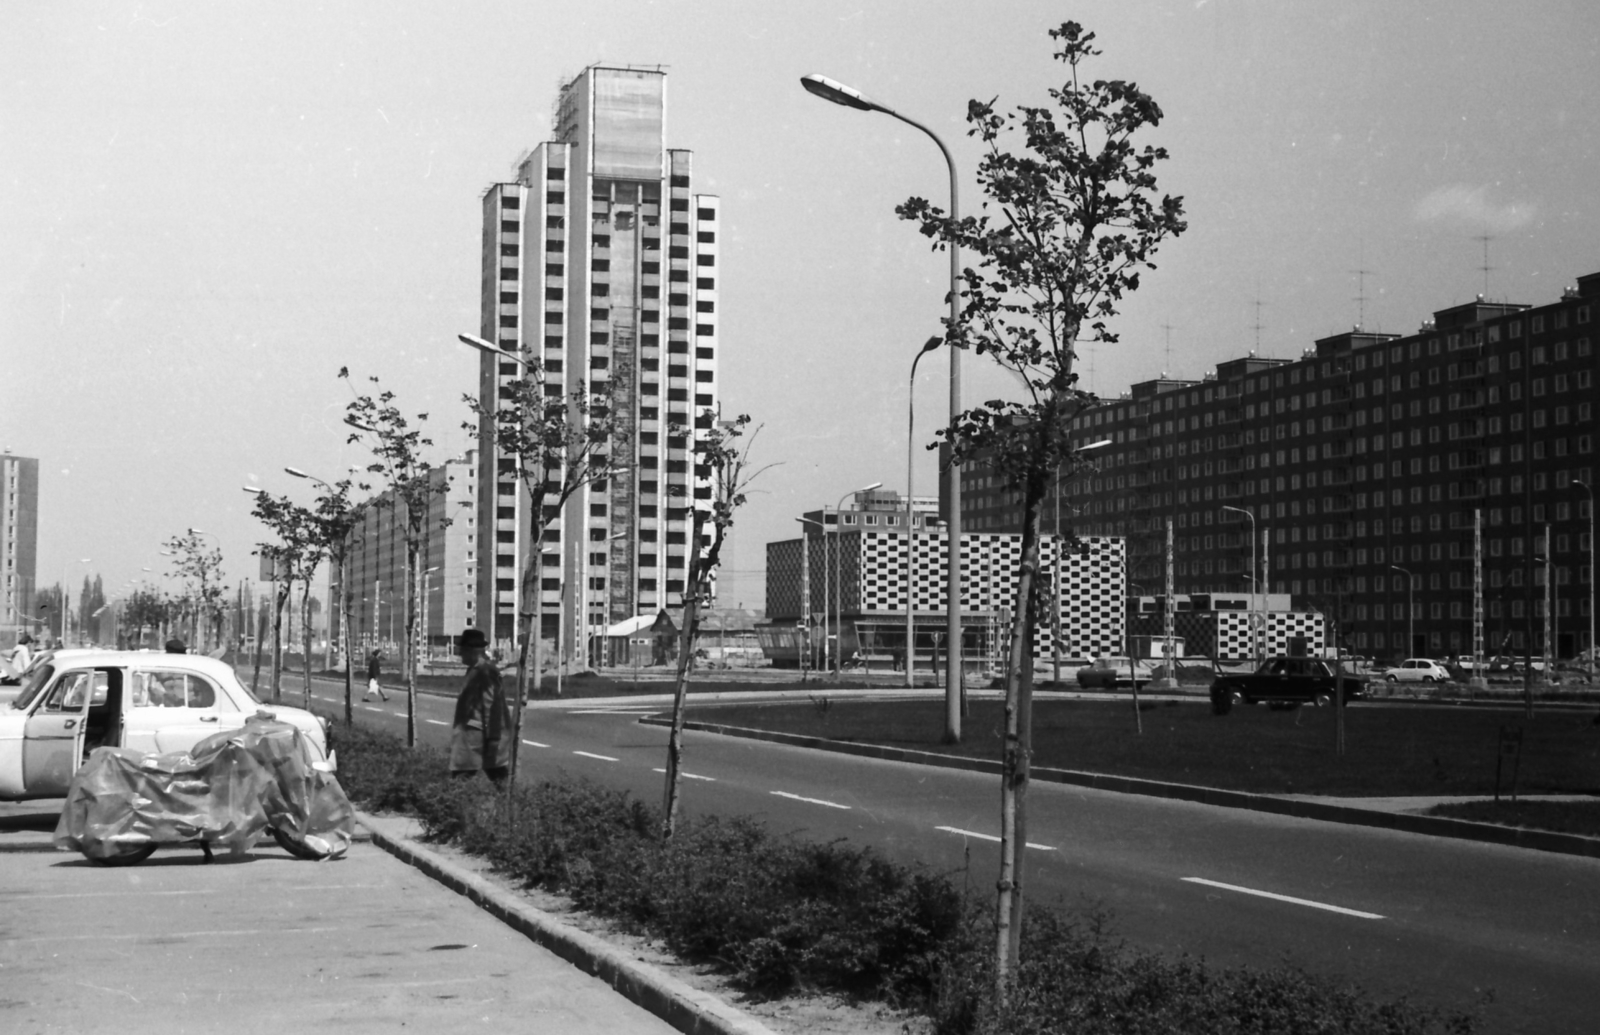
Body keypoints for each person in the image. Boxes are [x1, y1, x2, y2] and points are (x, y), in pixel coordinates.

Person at [449, 628, 511, 783]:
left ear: (472, 651)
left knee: (461, 780)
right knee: (499, 779)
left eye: (462, 650)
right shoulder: (475, 671)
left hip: (479, 740)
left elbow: (492, 708)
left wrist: (493, 740)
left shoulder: (485, 672)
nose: (460, 654)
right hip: (474, 740)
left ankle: (514, 804)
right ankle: (512, 804)